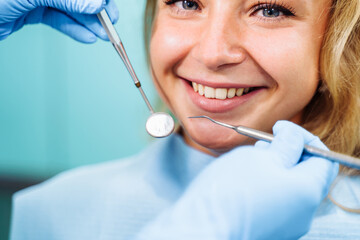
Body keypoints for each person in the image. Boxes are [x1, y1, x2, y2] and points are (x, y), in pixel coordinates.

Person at [1, 0, 359, 239]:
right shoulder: (51, 212)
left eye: (269, 9)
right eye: (187, 2)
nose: (212, 52)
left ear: (337, 41)